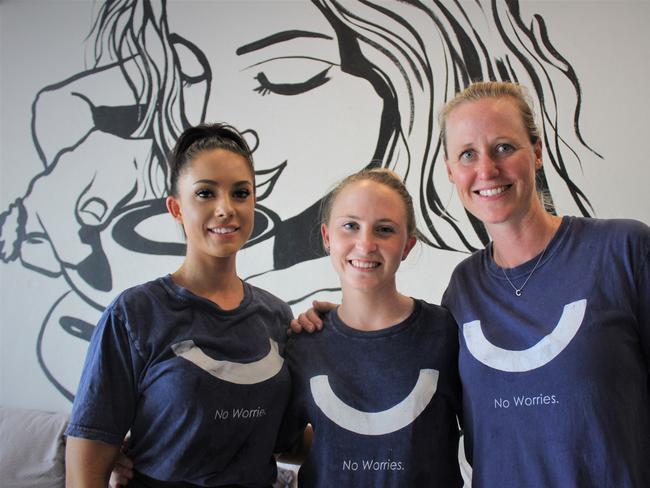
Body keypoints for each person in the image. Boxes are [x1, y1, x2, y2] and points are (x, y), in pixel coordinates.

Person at [294, 81, 650, 487]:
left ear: (536, 152)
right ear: (450, 171)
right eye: (467, 154)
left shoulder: (623, 250)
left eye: (503, 147)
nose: (486, 170)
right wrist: (334, 327)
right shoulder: (464, 289)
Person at [65, 123, 293, 488]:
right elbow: (85, 466)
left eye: (240, 193)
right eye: (205, 193)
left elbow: (285, 439)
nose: (225, 209)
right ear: (176, 208)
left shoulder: (278, 317)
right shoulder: (135, 314)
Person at [279, 168, 462, 486]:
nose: (365, 244)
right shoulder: (303, 342)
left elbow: (488, 431)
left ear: (407, 245)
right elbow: (281, 445)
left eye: (385, 229)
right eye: (350, 226)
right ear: (327, 238)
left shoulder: (445, 332)